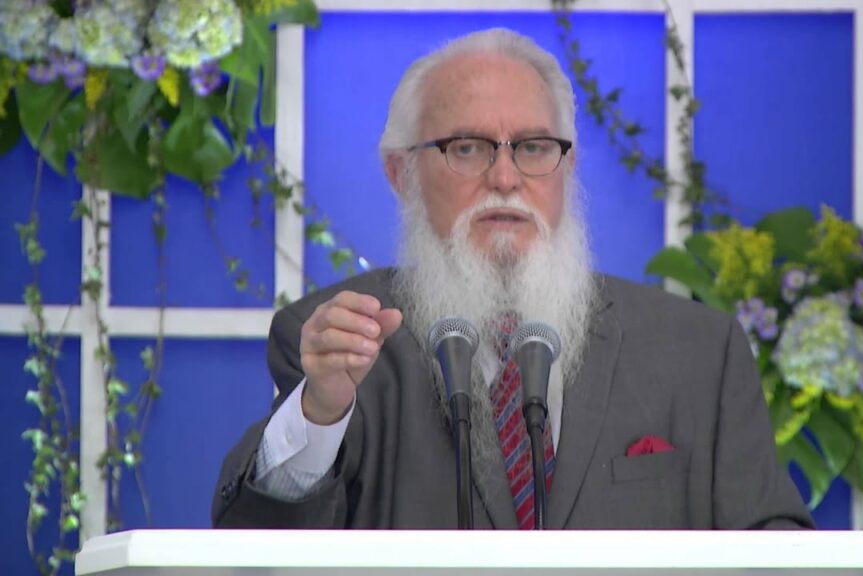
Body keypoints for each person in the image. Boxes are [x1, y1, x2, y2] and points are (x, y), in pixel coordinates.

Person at [212, 28, 813, 530]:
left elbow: (776, 548)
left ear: (567, 166)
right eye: (467, 148)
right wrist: (320, 411)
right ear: (401, 174)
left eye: (533, 147)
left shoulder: (698, 351)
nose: (505, 178)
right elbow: (254, 546)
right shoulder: (343, 343)